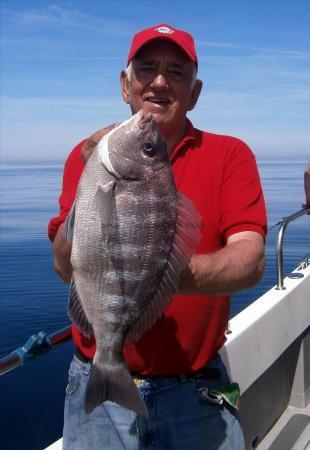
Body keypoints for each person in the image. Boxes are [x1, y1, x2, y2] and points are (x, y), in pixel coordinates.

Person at [48, 23, 267, 450]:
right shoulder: (91, 155)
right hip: (95, 378)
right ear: (125, 85)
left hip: (196, 388)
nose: (161, 81)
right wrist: (87, 196)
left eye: (177, 72)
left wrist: (156, 276)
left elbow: (251, 260)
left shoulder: (231, 155)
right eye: (147, 69)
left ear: (195, 92)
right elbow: (63, 268)